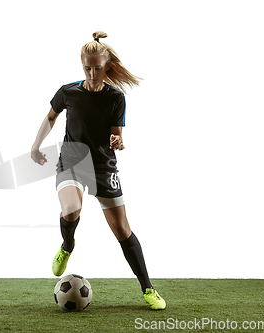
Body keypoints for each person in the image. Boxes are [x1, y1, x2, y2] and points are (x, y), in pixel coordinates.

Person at [31, 31, 166, 310]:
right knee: (71, 209)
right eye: (87, 68)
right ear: (83, 66)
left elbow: (116, 135)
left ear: (106, 66)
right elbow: (51, 117)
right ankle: (67, 246)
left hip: (104, 167)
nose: (92, 73)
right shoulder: (68, 91)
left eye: (97, 67)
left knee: (122, 230)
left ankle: (148, 289)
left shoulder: (116, 98)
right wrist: (36, 145)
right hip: (71, 162)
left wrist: (118, 140)